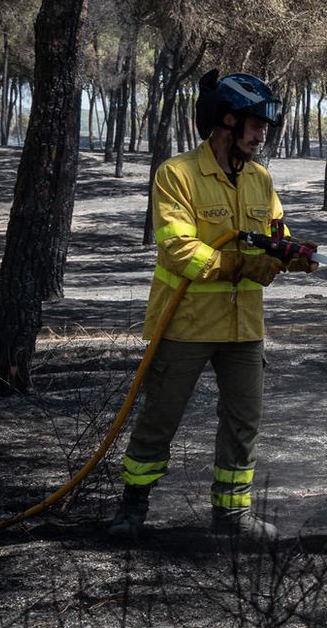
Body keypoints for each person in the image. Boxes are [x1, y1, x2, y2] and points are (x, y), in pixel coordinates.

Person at [107, 70, 315, 544]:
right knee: (162, 416)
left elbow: (275, 236)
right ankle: (133, 507)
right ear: (227, 120)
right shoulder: (176, 175)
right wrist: (240, 263)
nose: (262, 136)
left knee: (244, 421)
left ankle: (231, 514)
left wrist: (294, 254)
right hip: (185, 324)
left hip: (244, 328)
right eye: (256, 125)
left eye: (264, 127)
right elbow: (180, 249)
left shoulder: (260, 180)